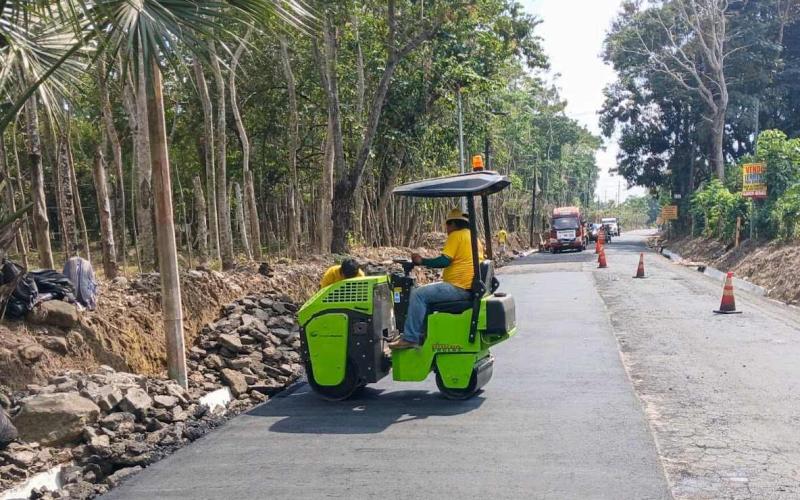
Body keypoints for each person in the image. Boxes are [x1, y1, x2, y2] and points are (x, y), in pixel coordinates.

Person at [389, 208, 483, 350]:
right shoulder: (474, 238)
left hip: (458, 288)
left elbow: (444, 261)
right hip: (466, 287)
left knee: (418, 294)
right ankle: (423, 335)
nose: (447, 229)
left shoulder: (456, 235)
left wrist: (422, 261)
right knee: (426, 296)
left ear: (453, 224)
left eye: (447, 225)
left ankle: (410, 338)